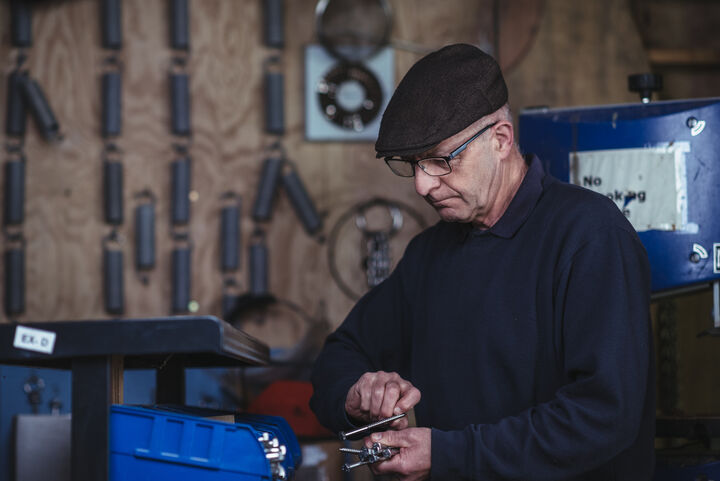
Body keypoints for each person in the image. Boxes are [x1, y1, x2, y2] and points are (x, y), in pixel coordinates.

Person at [310, 43, 655, 480]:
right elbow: (338, 356)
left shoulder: (588, 236)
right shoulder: (430, 255)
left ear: (501, 140)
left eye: (440, 160)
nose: (421, 186)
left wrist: (448, 453)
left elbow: (602, 416)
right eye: (412, 165)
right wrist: (359, 394)